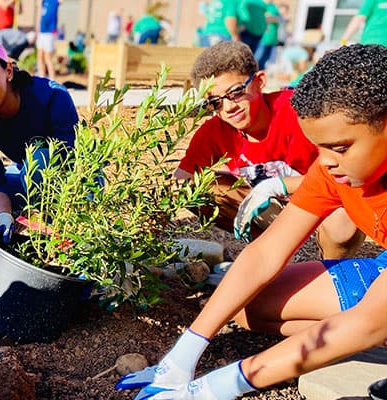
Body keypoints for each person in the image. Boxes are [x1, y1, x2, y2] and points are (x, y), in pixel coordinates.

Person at [114, 43, 387, 400]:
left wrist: (218, 386)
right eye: (317, 148)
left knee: (367, 324)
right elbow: (265, 252)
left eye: (339, 147)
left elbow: (368, 322)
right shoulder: (331, 170)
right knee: (249, 307)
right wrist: (186, 351)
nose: (325, 162)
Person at [173, 41, 363, 260]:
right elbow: (181, 180)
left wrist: (278, 185)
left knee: (342, 225)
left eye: (235, 92)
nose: (228, 107)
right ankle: (272, 254)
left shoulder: (298, 111)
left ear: (259, 81)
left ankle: (332, 270)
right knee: (201, 188)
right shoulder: (215, 131)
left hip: (321, 201)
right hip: (274, 210)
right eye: (215, 102)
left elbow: (346, 172)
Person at [0, 33, 78, 246]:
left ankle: (61, 232)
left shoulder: (52, 97)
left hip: (74, 183)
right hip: (25, 176)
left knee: (39, 160)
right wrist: (2, 219)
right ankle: (16, 221)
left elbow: (70, 160)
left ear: (8, 71)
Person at [253, 0, 281, 70]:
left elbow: (278, 19)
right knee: (256, 60)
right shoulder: (261, 5)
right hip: (263, 38)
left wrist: (271, 18)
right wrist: (274, 18)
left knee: (264, 62)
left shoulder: (273, 7)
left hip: (272, 39)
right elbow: (260, 19)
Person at [36, 0, 60, 80]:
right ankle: (41, 77)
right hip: (42, 32)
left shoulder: (54, 1)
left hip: (49, 32)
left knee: (48, 57)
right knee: (40, 56)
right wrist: (37, 29)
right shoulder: (43, 2)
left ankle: (52, 79)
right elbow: (39, 14)